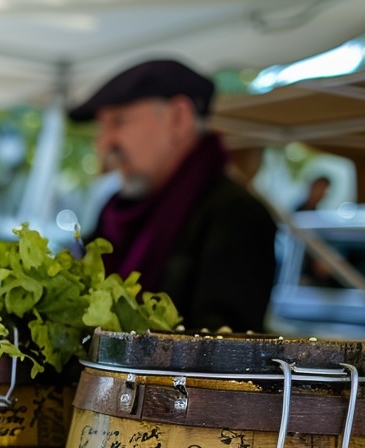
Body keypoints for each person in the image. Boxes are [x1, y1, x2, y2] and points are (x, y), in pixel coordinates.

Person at [69, 59, 277, 333]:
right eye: (102, 127)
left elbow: (225, 349)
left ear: (179, 117)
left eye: (119, 122)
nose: (103, 143)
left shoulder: (237, 216)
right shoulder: (115, 209)